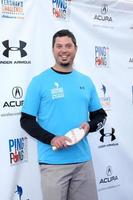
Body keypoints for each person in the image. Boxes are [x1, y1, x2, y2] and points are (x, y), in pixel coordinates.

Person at [20, 29, 107, 200]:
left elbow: (100, 115)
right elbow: (26, 121)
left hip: (83, 163)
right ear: (53, 49)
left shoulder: (85, 81)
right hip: (53, 164)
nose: (64, 50)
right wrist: (51, 138)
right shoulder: (39, 81)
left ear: (75, 48)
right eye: (59, 46)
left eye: (68, 45)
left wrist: (90, 126)